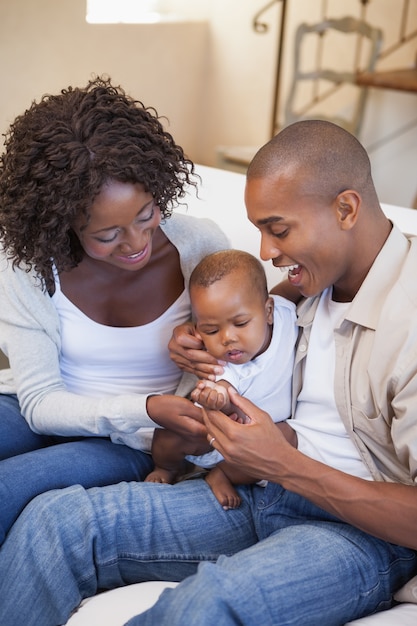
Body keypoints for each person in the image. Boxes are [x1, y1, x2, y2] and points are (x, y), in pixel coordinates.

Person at [1, 119, 417, 626]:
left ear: (346, 208)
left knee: (203, 607)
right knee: (55, 523)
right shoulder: (311, 281)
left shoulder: (407, 316)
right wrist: (200, 336)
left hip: (351, 531)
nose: (265, 251)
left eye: (278, 229)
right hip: (247, 490)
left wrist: (282, 463)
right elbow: (256, 308)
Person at [0, 75, 230, 545]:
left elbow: (260, 334)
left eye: (146, 215)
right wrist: (143, 404)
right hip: (37, 408)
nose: (136, 243)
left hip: (136, 439)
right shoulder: (27, 265)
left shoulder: (201, 248)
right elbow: (41, 405)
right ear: (61, 223)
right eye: (107, 235)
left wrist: (209, 342)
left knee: (7, 491)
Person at [145, 249, 297, 510]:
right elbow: (223, 386)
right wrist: (215, 396)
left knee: (286, 445)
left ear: (268, 311)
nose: (227, 338)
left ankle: (221, 475)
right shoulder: (221, 361)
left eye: (241, 323)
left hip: (264, 440)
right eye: (211, 330)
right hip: (214, 438)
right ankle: (167, 467)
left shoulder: (288, 313)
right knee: (168, 437)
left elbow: (299, 291)